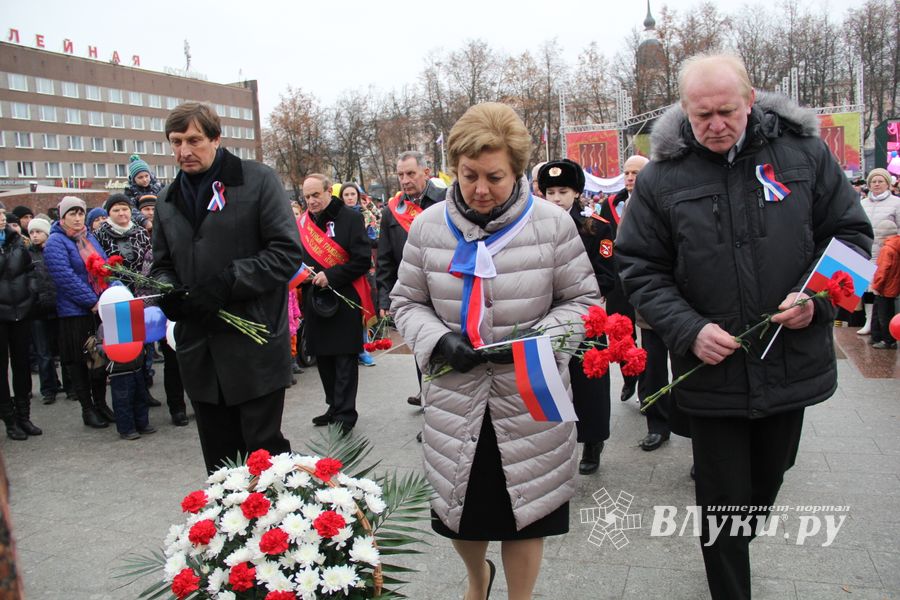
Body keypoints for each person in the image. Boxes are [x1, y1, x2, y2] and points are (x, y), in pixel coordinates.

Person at [615, 53, 873, 600]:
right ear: (685, 110)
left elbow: (851, 237)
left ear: (750, 100)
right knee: (722, 502)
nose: (715, 125)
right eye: (702, 114)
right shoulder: (661, 177)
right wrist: (688, 329)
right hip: (712, 370)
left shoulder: (804, 155)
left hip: (790, 361)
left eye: (726, 111)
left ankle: (737, 540)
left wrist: (816, 300)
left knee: (768, 478)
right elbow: (639, 267)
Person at [391, 102, 599, 600]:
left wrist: (538, 339)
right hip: (455, 394)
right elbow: (406, 302)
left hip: (528, 394)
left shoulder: (552, 224)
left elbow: (584, 302)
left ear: (518, 171)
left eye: (494, 177)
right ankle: (476, 576)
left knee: (526, 515)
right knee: (462, 512)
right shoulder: (428, 227)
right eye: (469, 176)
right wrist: (438, 340)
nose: (480, 189)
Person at [152, 102, 303, 474]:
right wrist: (168, 291)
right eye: (176, 142)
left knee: (266, 463)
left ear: (216, 138)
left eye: (194, 140)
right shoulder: (167, 199)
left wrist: (227, 282)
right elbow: (161, 265)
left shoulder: (257, 180)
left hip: (253, 345)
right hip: (199, 350)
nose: (184, 151)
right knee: (220, 467)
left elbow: (286, 254)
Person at [537, 158, 615, 474]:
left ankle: (593, 441)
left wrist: (575, 297)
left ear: (577, 192)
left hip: (585, 317)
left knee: (589, 383)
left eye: (563, 191)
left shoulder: (597, 227)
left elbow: (607, 275)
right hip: (545, 316)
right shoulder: (534, 225)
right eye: (550, 192)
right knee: (549, 382)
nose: (556, 198)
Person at [299, 174, 373, 434]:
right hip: (315, 298)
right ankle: (333, 405)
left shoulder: (350, 218)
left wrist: (331, 275)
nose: (311, 201)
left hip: (344, 297)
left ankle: (345, 412)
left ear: (329, 191)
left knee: (343, 358)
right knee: (324, 357)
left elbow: (362, 260)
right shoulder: (303, 223)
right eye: (307, 197)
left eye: (316, 195)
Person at [377, 152, 446, 406]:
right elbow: (385, 259)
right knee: (422, 346)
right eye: (400, 175)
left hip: (446, 288)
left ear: (426, 173)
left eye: (410, 173)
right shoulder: (392, 211)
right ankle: (427, 400)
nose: (405, 180)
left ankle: (442, 400)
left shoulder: (446, 200)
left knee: (446, 346)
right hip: (412, 292)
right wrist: (384, 297)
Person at [44, 196, 115, 430]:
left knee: (98, 359)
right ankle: (88, 409)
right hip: (74, 312)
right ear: (62, 217)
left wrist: (109, 291)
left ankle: (101, 404)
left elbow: (103, 265)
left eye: (80, 213)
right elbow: (64, 276)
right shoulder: (56, 241)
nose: (77, 218)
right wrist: (91, 301)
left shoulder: (89, 237)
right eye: (72, 214)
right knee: (79, 361)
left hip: (97, 308)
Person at [598, 155, 649, 404]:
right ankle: (630, 378)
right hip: (618, 281)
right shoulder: (609, 204)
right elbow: (604, 242)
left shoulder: (654, 201)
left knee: (649, 339)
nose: (629, 177)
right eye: (627, 172)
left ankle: (648, 389)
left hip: (646, 279)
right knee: (620, 334)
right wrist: (604, 272)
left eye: (635, 173)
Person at [0, 210, 40, 440]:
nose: (2, 218)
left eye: (2, 213)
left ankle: (24, 416)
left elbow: (30, 270)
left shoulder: (16, 241)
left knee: (22, 365)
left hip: (21, 311)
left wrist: (31, 292)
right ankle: (9, 419)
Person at [857, 168, 900, 336]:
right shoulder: (862, 203)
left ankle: (881, 327)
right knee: (865, 288)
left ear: (887, 184)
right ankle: (868, 320)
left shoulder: (896, 203)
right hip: (865, 250)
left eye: (880, 181)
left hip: (885, 253)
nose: (876, 184)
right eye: (873, 181)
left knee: (880, 289)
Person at [340, 182, 378, 368]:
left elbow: (374, 238)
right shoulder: (336, 216)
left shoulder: (366, 215)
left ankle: (363, 349)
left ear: (358, 196)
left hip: (363, 267)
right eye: (346, 194)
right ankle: (347, 348)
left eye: (352, 194)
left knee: (362, 308)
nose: (349, 198)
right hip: (341, 267)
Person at [27, 217, 64, 405]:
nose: (35, 235)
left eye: (38, 232)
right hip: (37, 310)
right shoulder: (27, 255)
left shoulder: (55, 251)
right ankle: (48, 388)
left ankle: (70, 386)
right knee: (43, 353)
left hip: (58, 306)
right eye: (32, 232)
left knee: (63, 349)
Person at [871, 219, 900, 349]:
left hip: (884, 288)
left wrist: (876, 286)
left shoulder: (887, 249)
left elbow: (882, 270)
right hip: (893, 287)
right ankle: (880, 337)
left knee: (883, 316)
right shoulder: (896, 246)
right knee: (888, 313)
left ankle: (888, 341)